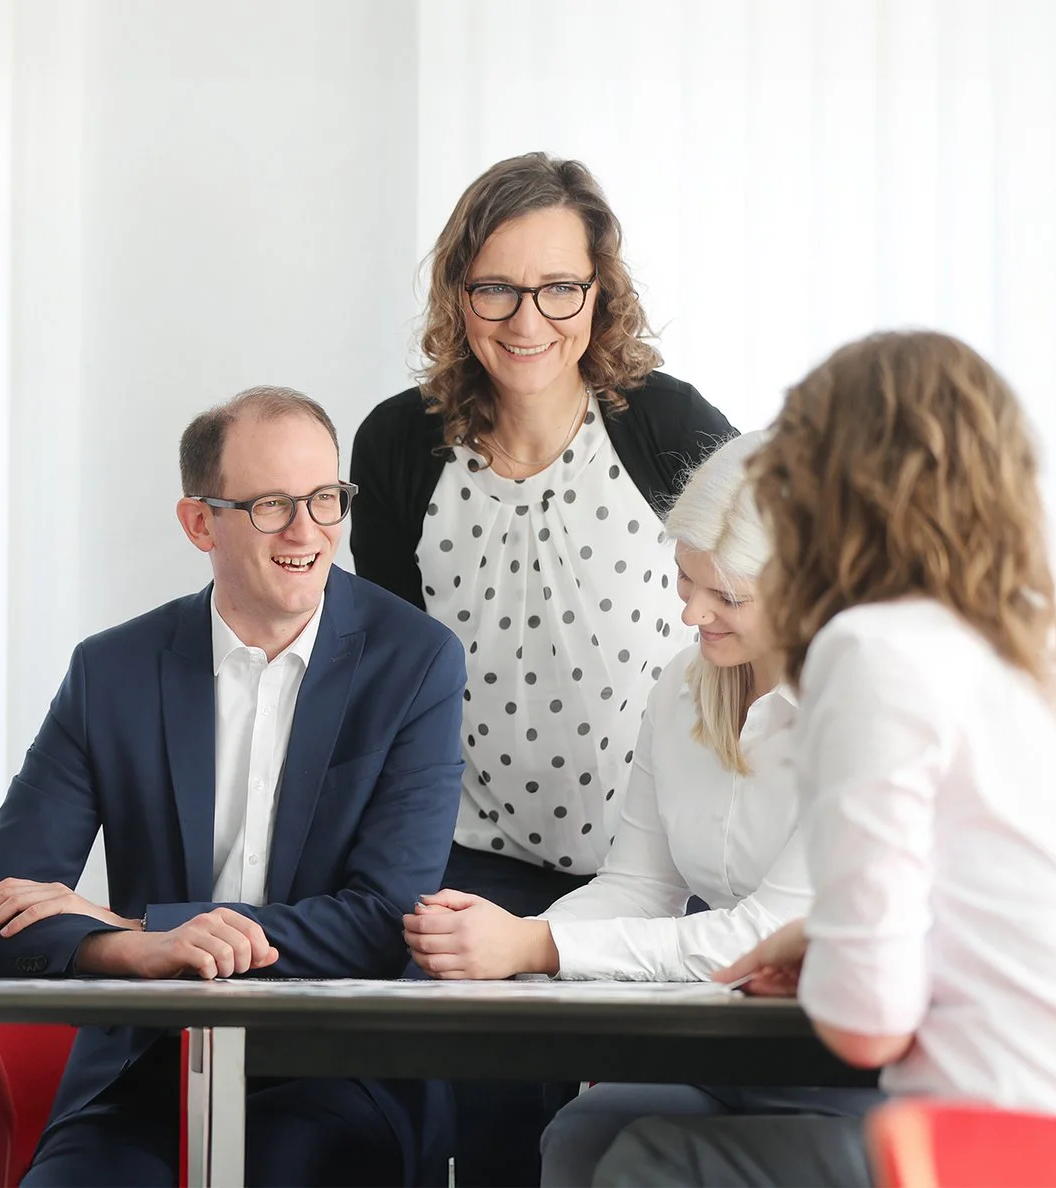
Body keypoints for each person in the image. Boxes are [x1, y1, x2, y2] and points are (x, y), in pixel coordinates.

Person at [591, 331, 1056, 1186]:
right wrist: (825, 935)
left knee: (649, 1163)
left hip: (1033, 1160)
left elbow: (866, 1020)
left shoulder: (872, 651)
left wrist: (828, 948)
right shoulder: (1052, 657)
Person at [0, 386, 465, 1187]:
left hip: (342, 1072)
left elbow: (382, 923)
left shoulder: (416, 660)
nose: (308, 532)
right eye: (272, 505)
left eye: (327, 499)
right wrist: (137, 950)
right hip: (147, 1070)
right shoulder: (111, 672)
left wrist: (145, 924)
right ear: (199, 523)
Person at [348, 151, 735, 1184]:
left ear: (599, 293)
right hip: (477, 852)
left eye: (559, 287)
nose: (529, 319)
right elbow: (392, 676)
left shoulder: (663, 425)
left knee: (645, 1133)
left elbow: (761, 611)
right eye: (496, 288)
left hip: (658, 860)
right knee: (495, 1132)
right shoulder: (399, 444)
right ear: (457, 293)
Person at [398, 432, 883, 1185]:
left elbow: (763, 935)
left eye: (726, 597)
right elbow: (639, 887)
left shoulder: (863, 714)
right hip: (734, 1055)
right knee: (581, 1133)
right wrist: (506, 936)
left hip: (853, 1076)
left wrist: (534, 948)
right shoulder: (685, 688)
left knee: (638, 1160)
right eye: (686, 581)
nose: (691, 614)